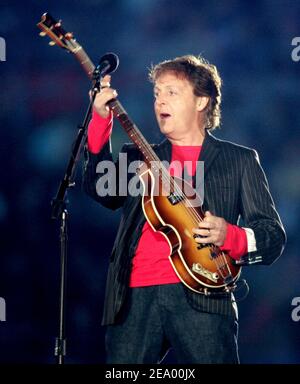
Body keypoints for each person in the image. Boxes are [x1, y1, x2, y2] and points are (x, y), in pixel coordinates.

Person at [82, 55, 286, 364]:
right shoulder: (140, 157)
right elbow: (100, 189)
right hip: (134, 297)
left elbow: (272, 237)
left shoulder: (239, 161)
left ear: (202, 100)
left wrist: (230, 234)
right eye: (157, 93)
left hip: (204, 294)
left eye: (171, 92)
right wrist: (100, 120)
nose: (160, 101)